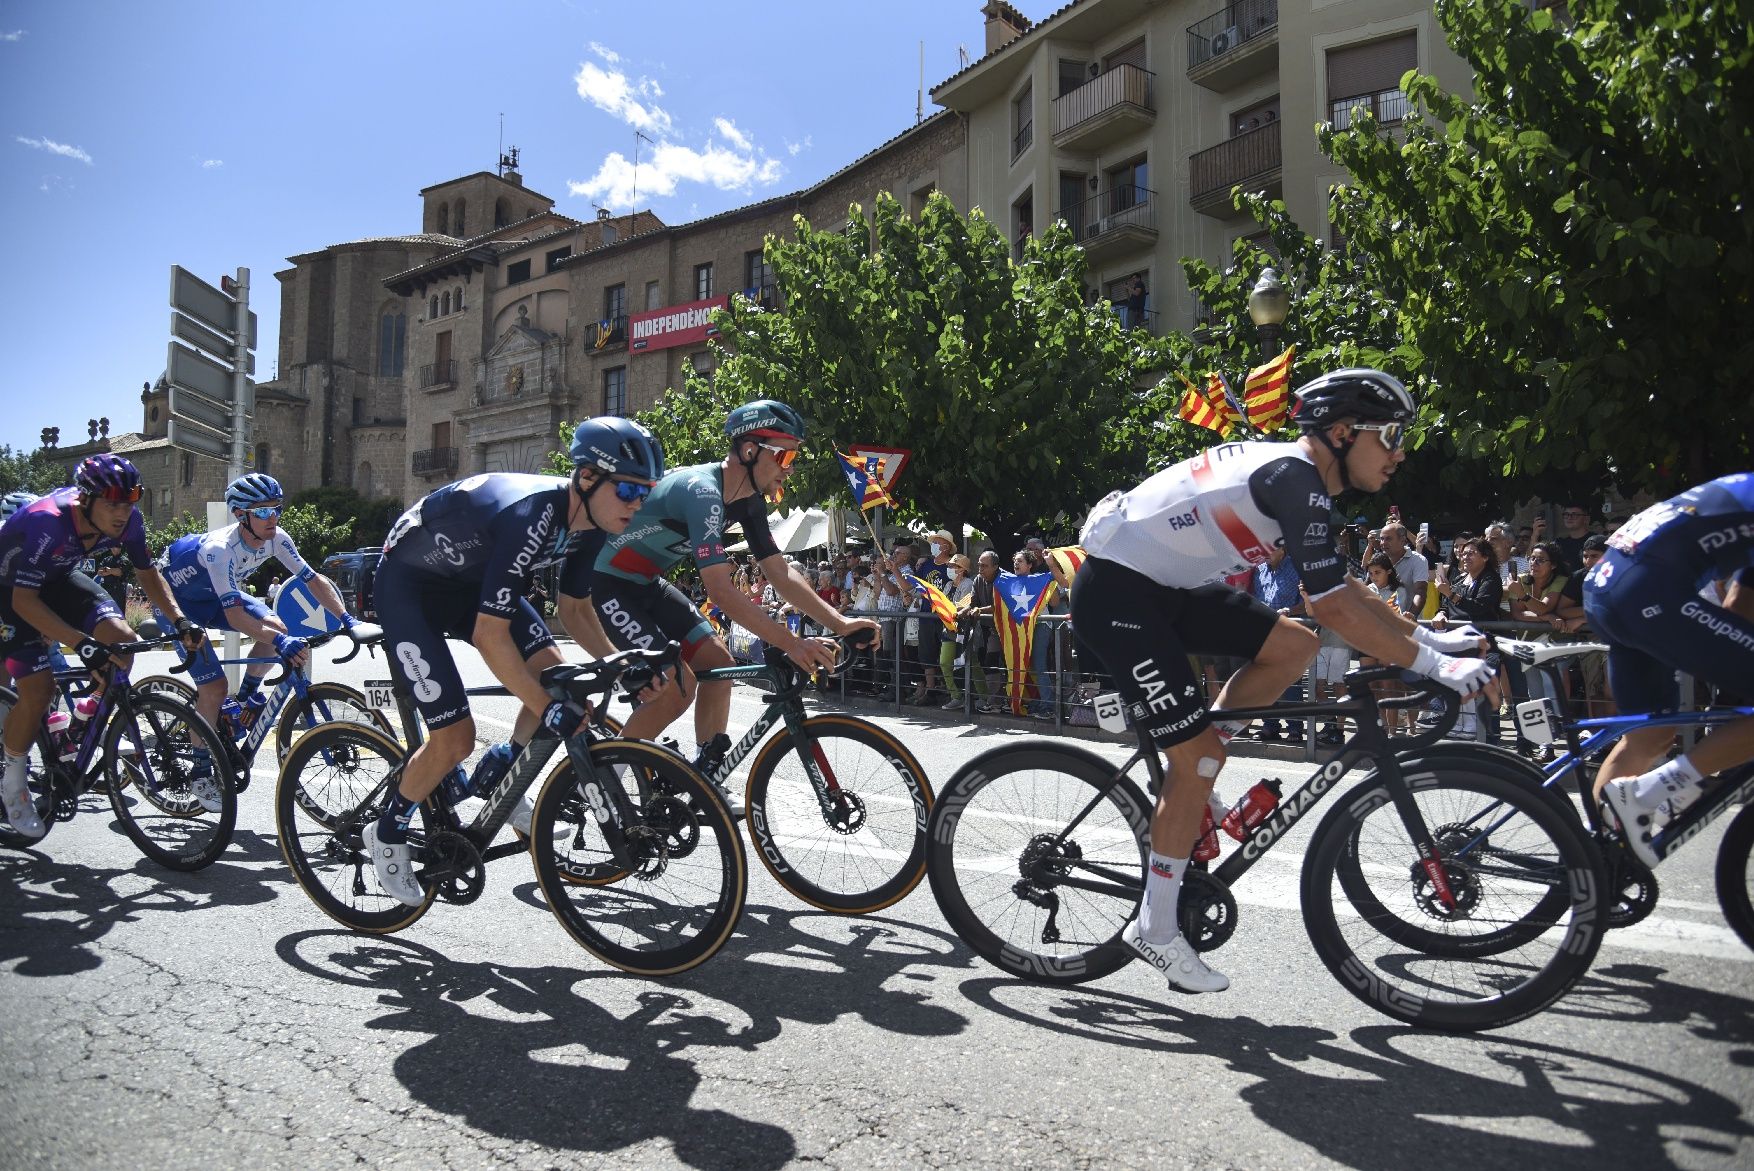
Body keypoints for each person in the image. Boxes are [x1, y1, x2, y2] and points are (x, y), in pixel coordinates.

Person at [1073, 369, 1496, 995]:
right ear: (1344, 432)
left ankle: (1202, 770)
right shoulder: (1292, 476)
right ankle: (1155, 928)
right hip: (1118, 593)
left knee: (1291, 647)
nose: (1400, 453)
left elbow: (1341, 588)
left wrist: (1428, 640)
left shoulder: (1303, 480)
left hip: (1163, 588)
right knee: (1195, 762)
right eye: (1391, 436)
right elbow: (1332, 606)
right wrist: (1435, 669)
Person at [364, 417, 664, 904]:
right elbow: (490, 634)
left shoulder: (592, 521)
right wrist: (545, 707)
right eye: (629, 488)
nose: (637, 503)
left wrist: (623, 663)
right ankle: (388, 830)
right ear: (587, 478)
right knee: (454, 738)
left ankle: (503, 772)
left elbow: (576, 610)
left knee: (555, 672)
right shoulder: (534, 515)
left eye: (645, 493)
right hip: (409, 588)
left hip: (465, 584)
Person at [590, 400, 879, 813]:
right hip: (606, 586)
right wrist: (793, 644)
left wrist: (839, 621)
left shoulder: (747, 501)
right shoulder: (703, 493)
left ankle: (705, 777)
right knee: (676, 687)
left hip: (646, 585)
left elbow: (779, 573)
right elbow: (721, 592)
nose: (790, 467)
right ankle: (604, 786)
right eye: (784, 455)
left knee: (718, 667)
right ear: (749, 451)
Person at [1, 456, 204, 836]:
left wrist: (180, 621)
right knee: (38, 689)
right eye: (112, 503)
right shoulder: (48, 522)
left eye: (129, 502)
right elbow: (24, 602)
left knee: (123, 643)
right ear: (85, 500)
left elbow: (147, 572)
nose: (122, 513)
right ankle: (12, 784)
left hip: (59, 578)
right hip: (10, 593)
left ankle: (83, 720)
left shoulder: (129, 522)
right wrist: (81, 643)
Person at [1586, 474, 1754, 868]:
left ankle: (1592, 863)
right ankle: (1649, 793)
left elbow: (1738, 608)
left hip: (1611, 588)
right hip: (1647, 592)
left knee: (1651, 737)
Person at [156, 473, 363, 761]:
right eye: (263, 511)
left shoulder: (276, 538)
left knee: (276, 627)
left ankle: (243, 702)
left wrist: (347, 620)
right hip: (176, 604)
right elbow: (236, 617)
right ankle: (201, 770)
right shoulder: (220, 550)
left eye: (277, 509)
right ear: (241, 515)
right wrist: (281, 640)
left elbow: (312, 579)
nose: (273, 518)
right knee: (215, 688)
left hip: (212, 598)